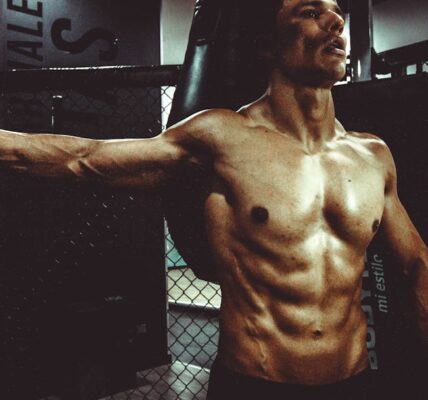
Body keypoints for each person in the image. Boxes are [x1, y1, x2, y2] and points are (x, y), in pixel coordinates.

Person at [0, 0, 426, 398]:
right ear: (267, 46)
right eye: (311, 12)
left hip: (353, 382)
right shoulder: (221, 138)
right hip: (255, 384)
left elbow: (416, 265)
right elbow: (84, 159)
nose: (335, 22)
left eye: (337, 13)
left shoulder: (373, 155)